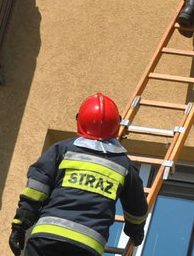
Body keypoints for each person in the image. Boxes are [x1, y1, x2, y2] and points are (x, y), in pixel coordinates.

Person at [8, 93, 149, 256]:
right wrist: (135, 231)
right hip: (86, 246)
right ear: (116, 124)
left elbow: (36, 190)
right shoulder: (124, 165)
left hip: (46, 238)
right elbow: (137, 209)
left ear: (80, 120)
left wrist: (20, 225)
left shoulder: (62, 150)